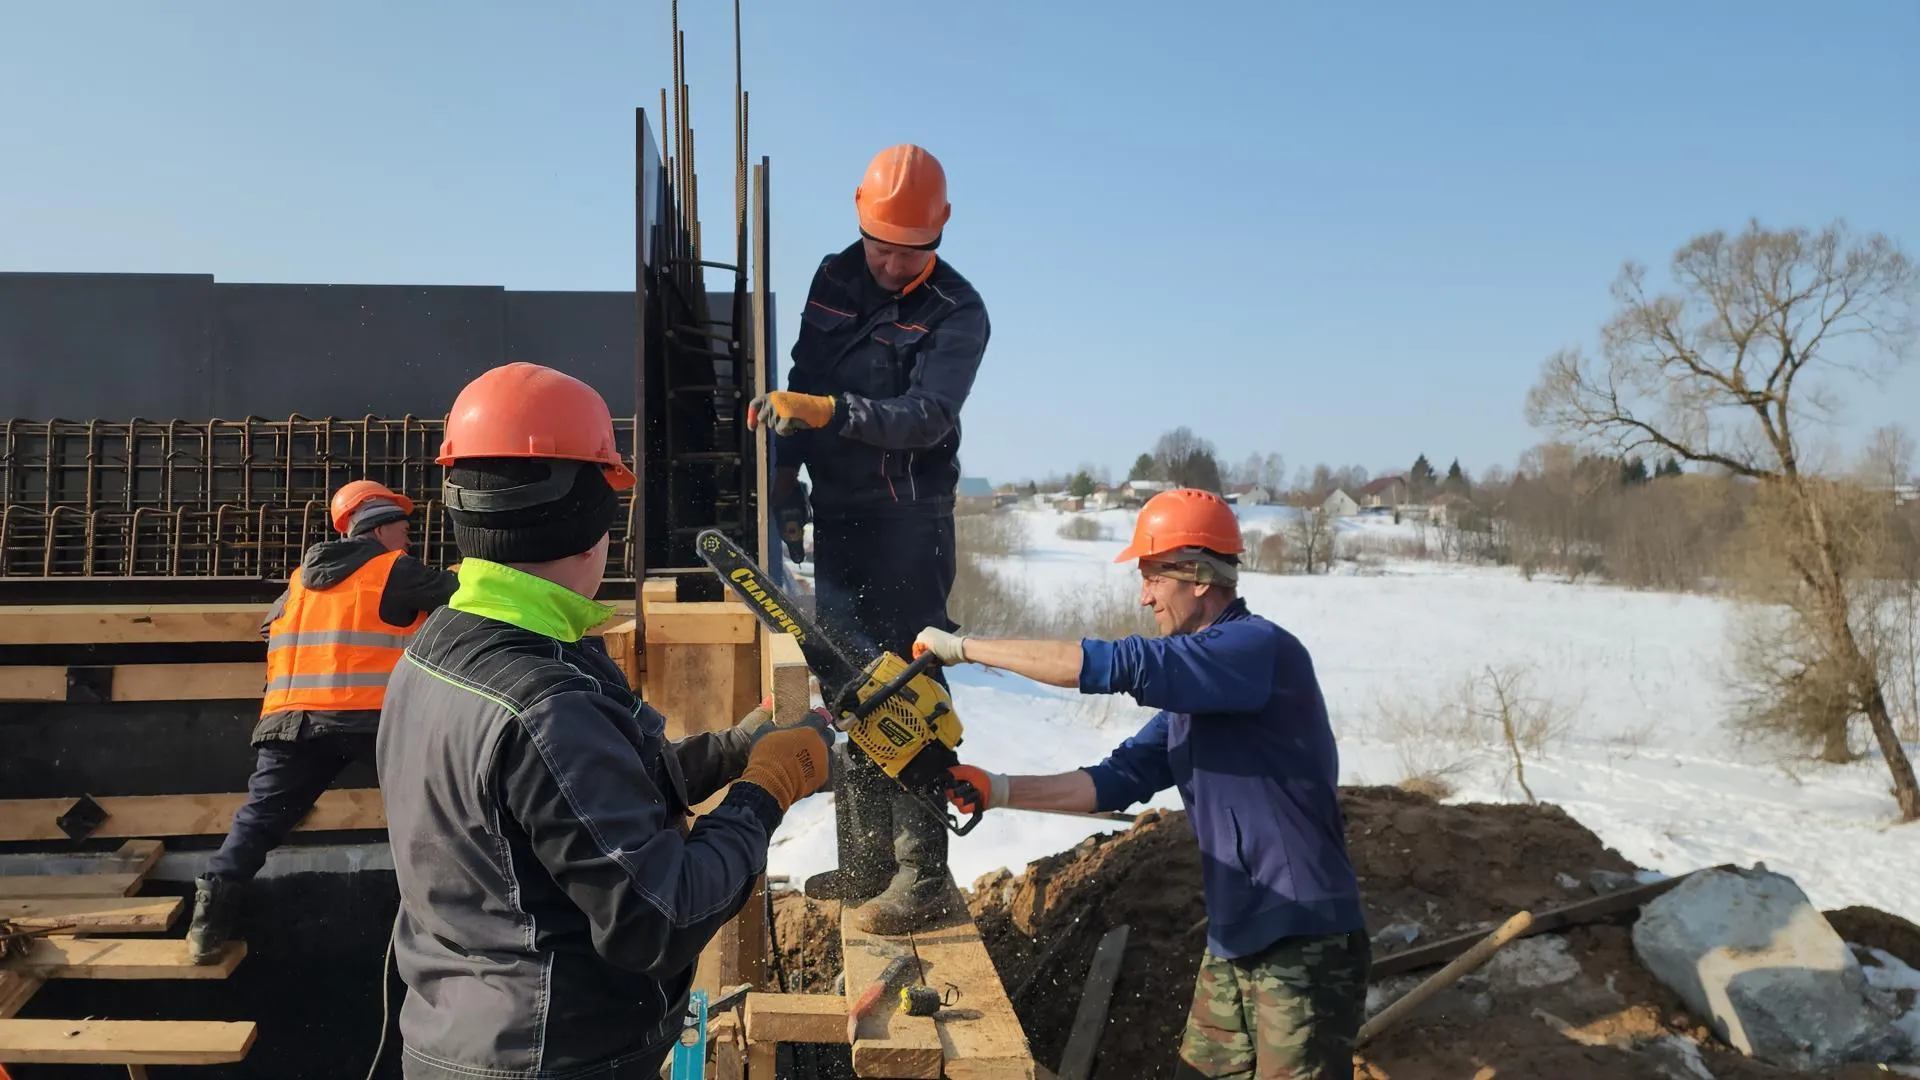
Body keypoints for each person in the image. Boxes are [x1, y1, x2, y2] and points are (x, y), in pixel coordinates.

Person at [376, 361, 836, 1079]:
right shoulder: (545, 702)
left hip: (461, 1036)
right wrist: (766, 791)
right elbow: (662, 916)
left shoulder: (441, 652)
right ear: (592, 522)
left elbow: (578, 809)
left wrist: (740, 746)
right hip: (550, 1057)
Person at [914, 489, 1371, 1079]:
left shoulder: (1257, 652)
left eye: (1153, 575)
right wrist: (997, 788)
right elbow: (1114, 780)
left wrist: (964, 648)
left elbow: (1113, 665)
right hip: (1234, 943)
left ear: (1200, 576)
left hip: (1303, 939)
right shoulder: (1198, 694)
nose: (1144, 594)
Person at [746, 143, 990, 934]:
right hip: (842, 513)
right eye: (881, 246)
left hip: (909, 519)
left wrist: (832, 413)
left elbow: (927, 418)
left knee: (907, 677)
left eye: (909, 252)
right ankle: (866, 865)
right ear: (859, 217)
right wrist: (786, 482)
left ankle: (921, 874)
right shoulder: (834, 276)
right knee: (849, 681)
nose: (890, 264)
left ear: (940, 231)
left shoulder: (960, 312)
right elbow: (798, 381)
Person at [187, 480, 456, 964]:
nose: (408, 537)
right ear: (378, 528)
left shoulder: (301, 580)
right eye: (402, 526)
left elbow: (273, 628)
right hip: (371, 719)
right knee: (434, 810)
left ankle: (207, 924)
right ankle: (457, 924)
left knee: (259, 820)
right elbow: (461, 598)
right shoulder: (394, 569)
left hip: (293, 724)